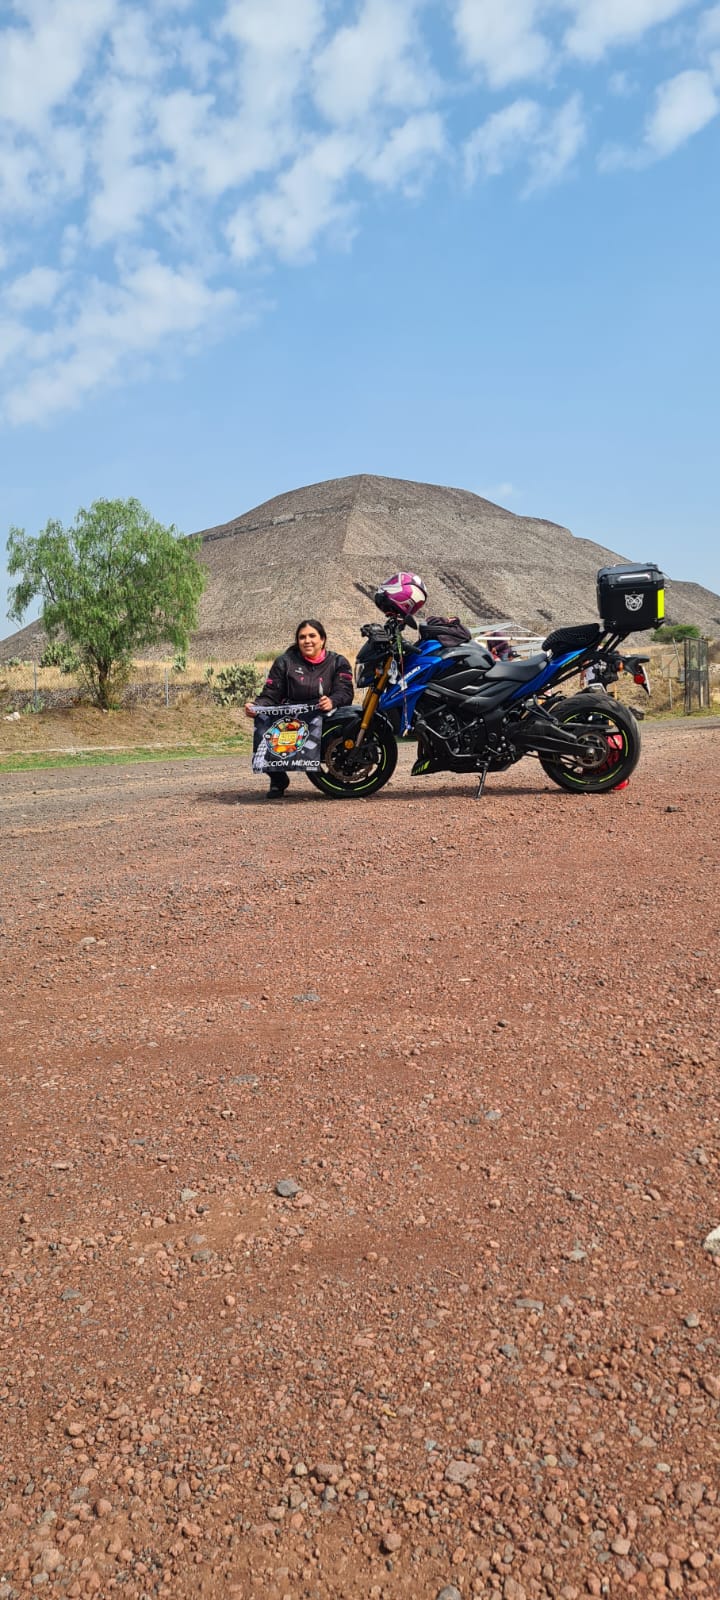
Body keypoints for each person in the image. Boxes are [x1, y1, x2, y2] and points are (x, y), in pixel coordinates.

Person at [245, 619, 354, 798]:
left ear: (323, 640)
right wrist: (256, 707)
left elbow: (345, 691)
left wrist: (332, 701)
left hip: (325, 716)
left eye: (312, 636)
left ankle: (341, 772)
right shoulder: (284, 662)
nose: (307, 641)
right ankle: (278, 778)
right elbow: (270, 693)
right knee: (264, 725)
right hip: (292, 719)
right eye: (302, 637)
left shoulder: (338, 662)